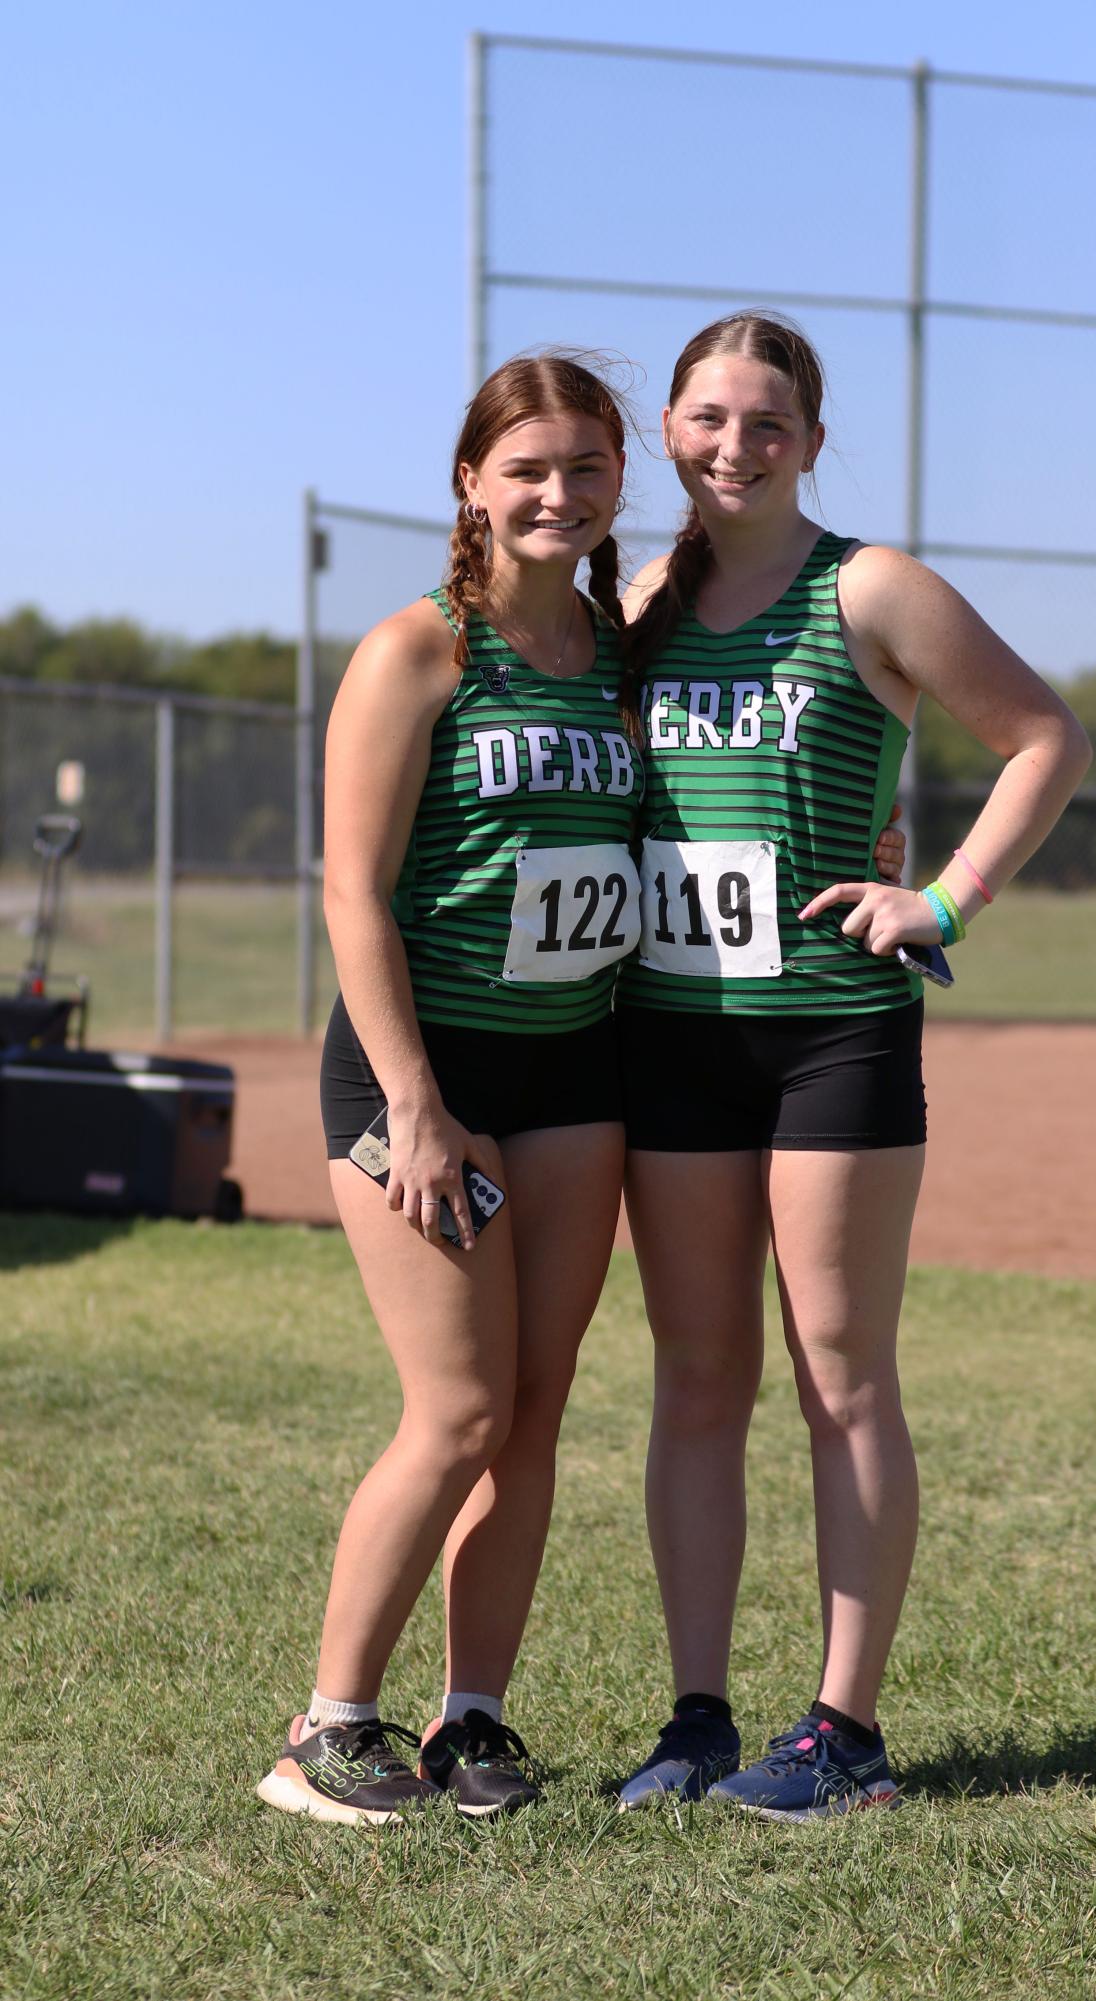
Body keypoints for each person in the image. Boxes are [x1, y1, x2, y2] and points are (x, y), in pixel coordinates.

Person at [612, 312, 1092, 1821]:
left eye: (765, 422)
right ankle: (696, 1720)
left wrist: (939, 898)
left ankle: (843, 1733)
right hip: (671, 1034)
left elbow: (1042, 737)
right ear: (669, 432)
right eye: (705, 417)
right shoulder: (637, 602)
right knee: (695, 1379)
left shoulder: (868, 585)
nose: (732, 446)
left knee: (839, 1373)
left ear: (811, 442)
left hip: (832, 1028)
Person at [257, 353, 646, 1824]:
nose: (558, 493)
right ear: (472, 481)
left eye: (588, 468)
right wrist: (414, 1101)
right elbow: (352, 891)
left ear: (620, 486)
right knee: (459, 1404)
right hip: (418, 1069)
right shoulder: (418, 651)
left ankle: (469, 1719)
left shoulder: (623, 653)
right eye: (528, 467)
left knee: (533, 1411)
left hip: (575, 1068)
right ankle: (325, 1725)